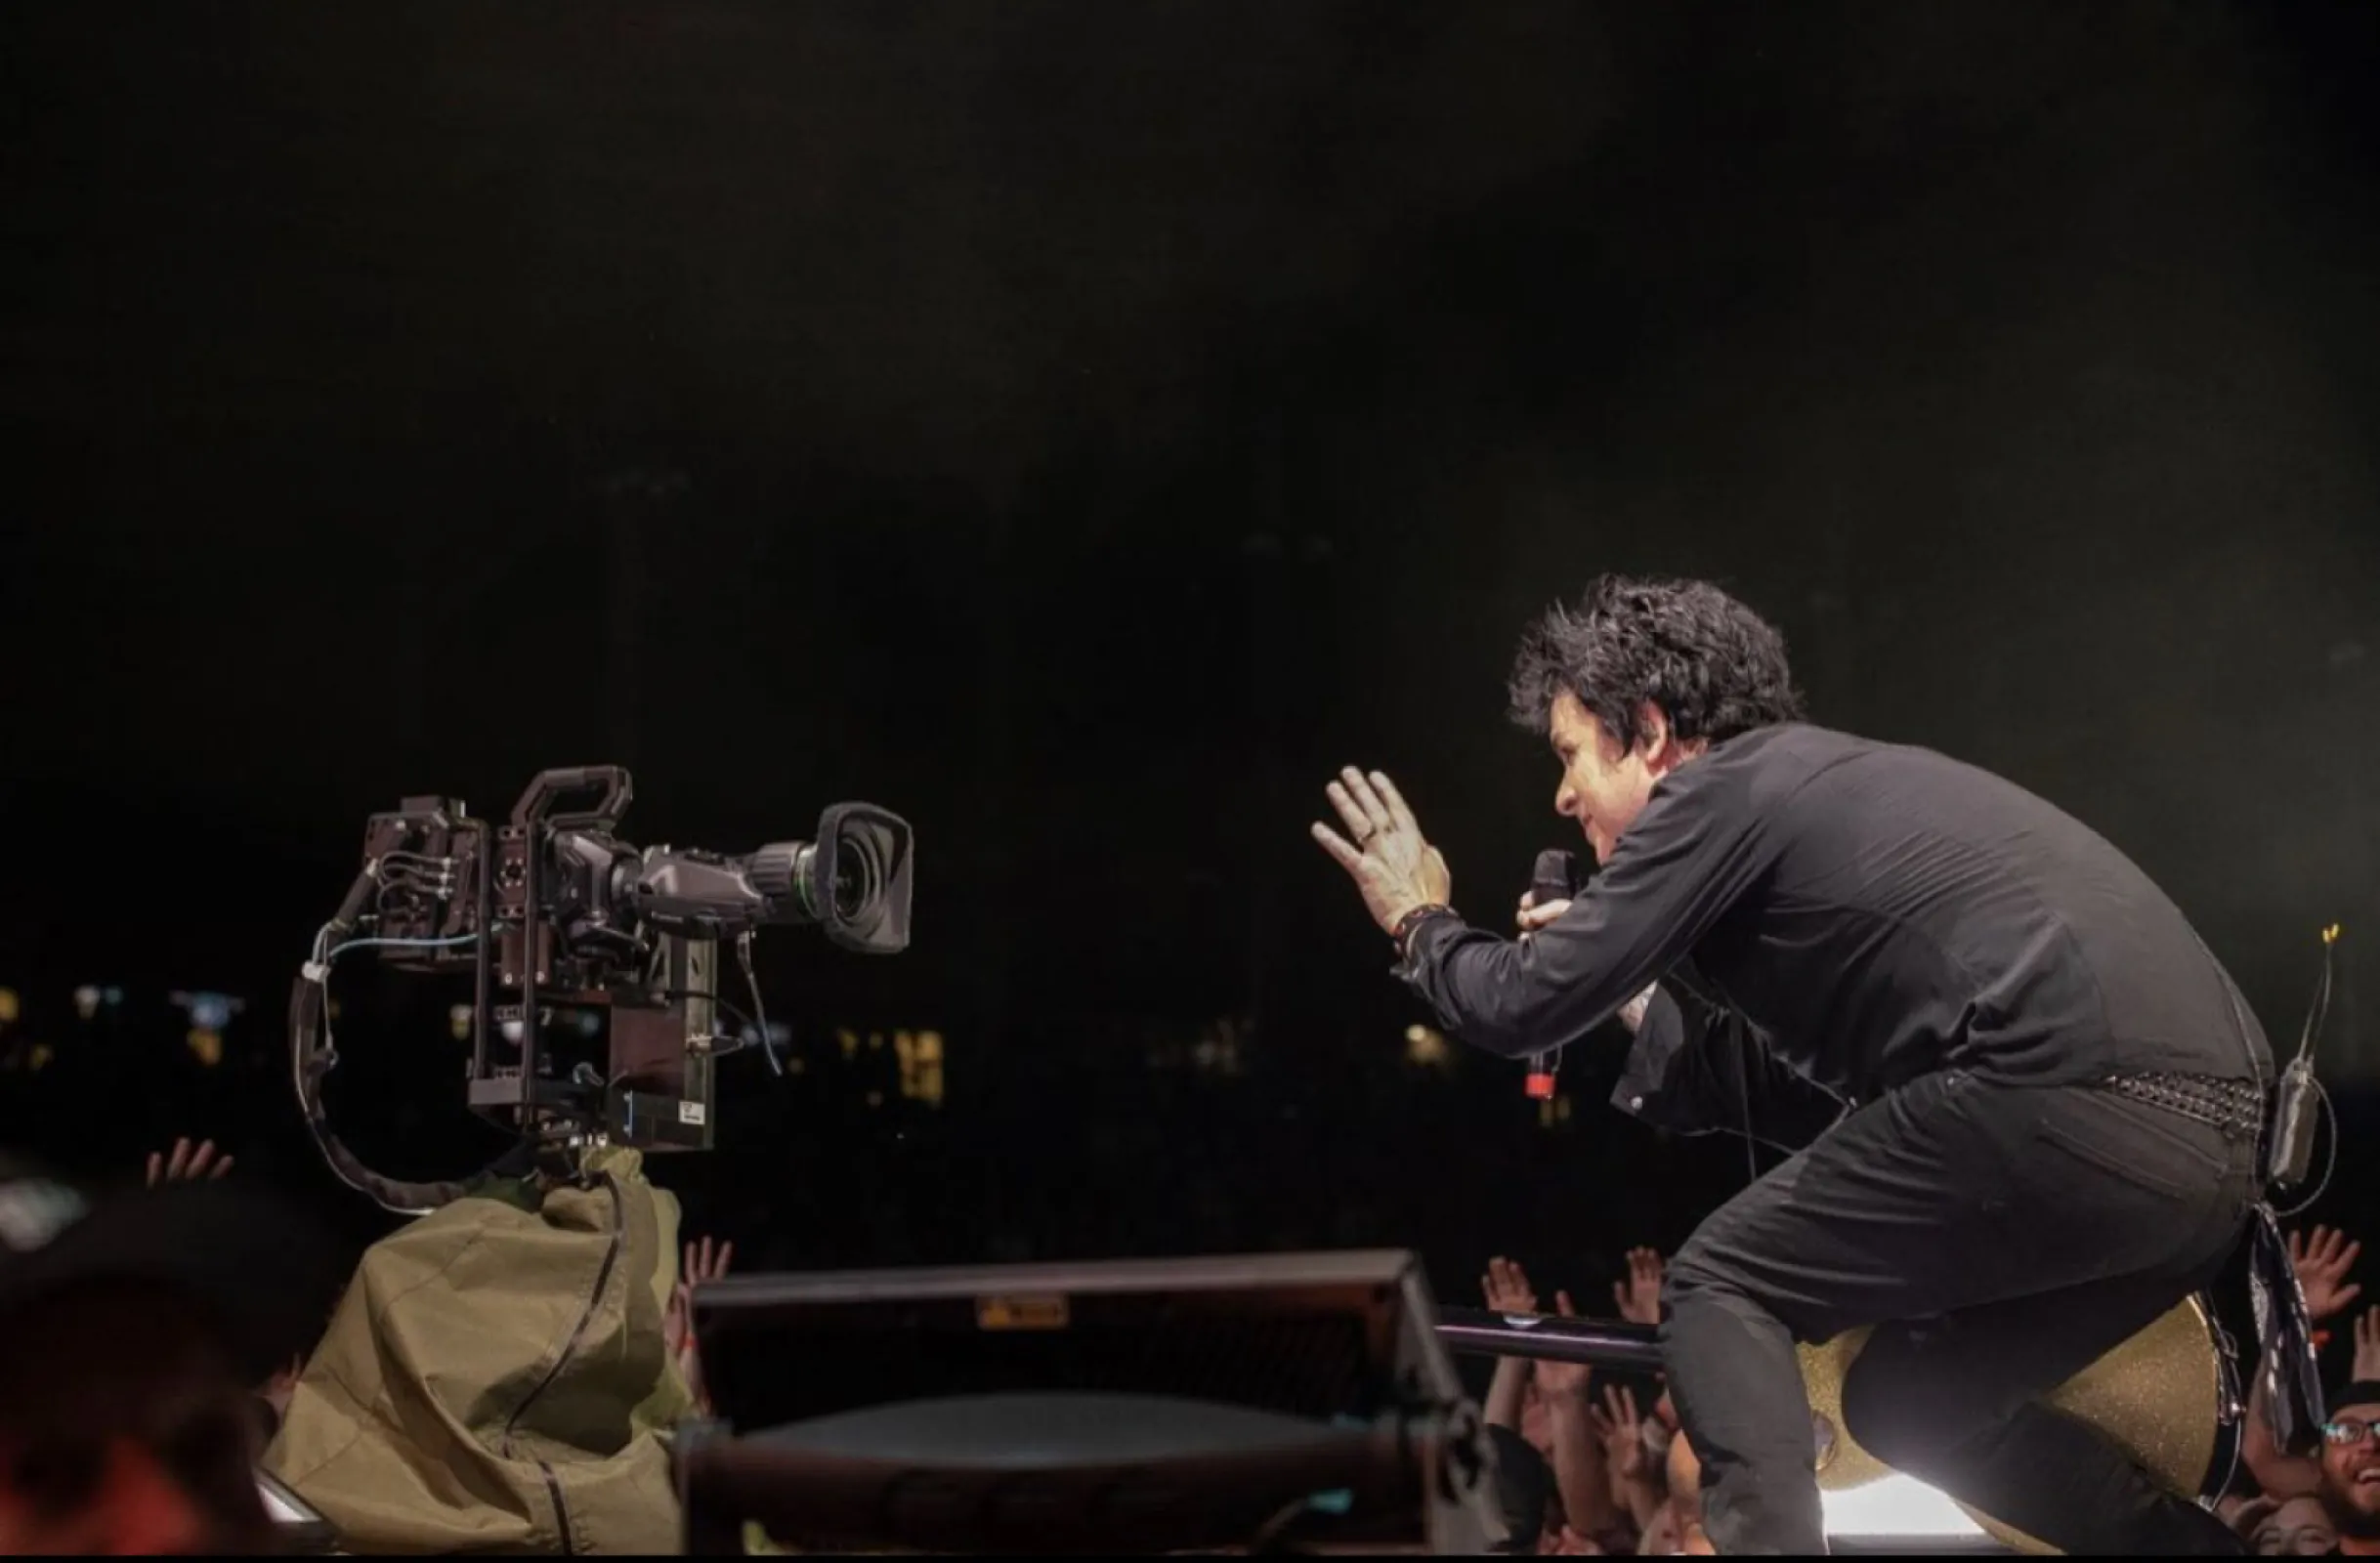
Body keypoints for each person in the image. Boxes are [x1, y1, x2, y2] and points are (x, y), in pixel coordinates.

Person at [1310, 573, 2270, 1554]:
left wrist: (1419, 921)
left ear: (1650, 732)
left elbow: (1518, 1004)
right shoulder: (1807, 799)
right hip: (2214, 1162)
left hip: (2065, 1091)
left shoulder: (1720, 789)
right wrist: (1628, 989)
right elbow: (1798, 1090)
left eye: (1569, 755)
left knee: (1720, 1285)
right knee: (1914, 1405)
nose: (1562, 797)